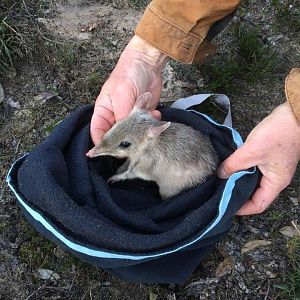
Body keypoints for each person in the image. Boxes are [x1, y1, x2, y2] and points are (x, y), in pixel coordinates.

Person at [89, 0, 300, 215]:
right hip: (189, 155)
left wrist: (295, 121)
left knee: (167, 190)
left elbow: (144, 169)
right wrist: (143, 56)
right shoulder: (145, 134)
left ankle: (170, 208)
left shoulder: (152, 147)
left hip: (185, 172)